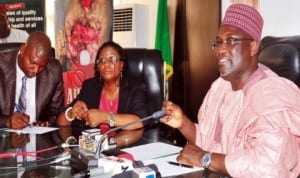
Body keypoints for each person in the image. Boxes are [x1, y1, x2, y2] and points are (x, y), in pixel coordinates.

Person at [161, 4, 300, 178]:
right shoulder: (221, 86)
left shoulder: (270, 94)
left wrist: (204, 158)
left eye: (231, 40)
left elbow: (268, 167)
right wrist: (183, 123)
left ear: (253, 47)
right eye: (218, 42)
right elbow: (211, 142)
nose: (221, 50)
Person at [57, 41, 148, 130]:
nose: (106, 64)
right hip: (95, 143)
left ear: (121, 65)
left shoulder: (135, 87)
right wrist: (71, 113)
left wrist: (106, 117)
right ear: (98, 67)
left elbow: (140, 121)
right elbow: (60, 122)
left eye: (112, 59)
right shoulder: (89, 87)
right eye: (102, 60)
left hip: (124, 143)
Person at [0, 31, 64, 129]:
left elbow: (56, 113)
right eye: (32, 63)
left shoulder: (54, 71)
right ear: (22, 50)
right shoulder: (1, 66)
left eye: (42, 66)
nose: (36, 70)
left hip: (37, 137)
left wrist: (46, 123)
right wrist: (7, 122)